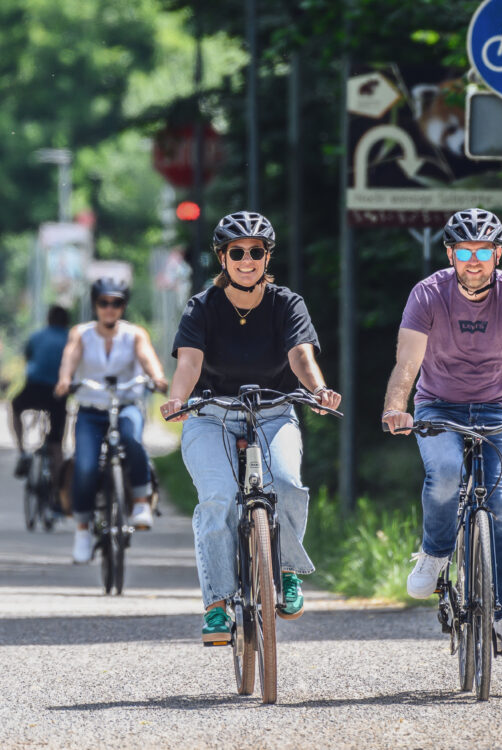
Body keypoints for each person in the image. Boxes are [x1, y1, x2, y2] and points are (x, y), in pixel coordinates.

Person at [381, 208, 502, 655]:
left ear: (497, 254)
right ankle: (435, 553)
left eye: (483, 251)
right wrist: (395, 407)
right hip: (438, 404)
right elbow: (408, 359)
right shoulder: (428, 293)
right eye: (465, 251)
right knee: (446, 473)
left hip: (499, 408)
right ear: (450, 253)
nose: (474, 260)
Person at [159, 211, 342, 645]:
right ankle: (218, 604)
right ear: (222, 258)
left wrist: (317, 389)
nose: (247, 260)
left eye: (255, 252)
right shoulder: (202, 306)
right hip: (211, 414)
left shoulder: (287, 303)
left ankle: (287, 571)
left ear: (267, 257)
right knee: (219, 498)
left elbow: (300, 355)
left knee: (287, 482)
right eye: (237, 252)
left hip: (274, 411)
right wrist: (178, 399)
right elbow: (190, 362)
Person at [54, 278, 169, 563]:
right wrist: (65, 379)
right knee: (84, 466)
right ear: (95, 305)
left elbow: (147, 357)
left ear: (123, 306)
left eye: (116, 303)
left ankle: (140, 502)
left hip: (126, 405)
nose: (109, 308)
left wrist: (157, 377)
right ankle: (82, 531)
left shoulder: (134, 334)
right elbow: (70, 357)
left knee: (132, 440)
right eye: (103, 302)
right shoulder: (81, 334)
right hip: (91, 409)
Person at [11, 305, 70, 478]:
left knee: (15, 407)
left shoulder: (37, 336)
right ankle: (59, 484)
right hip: (59, 391)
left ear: (48, 319)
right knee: (56, 443)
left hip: (35, 387)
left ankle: (22, 451)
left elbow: (29, 357)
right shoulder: (70, 339)